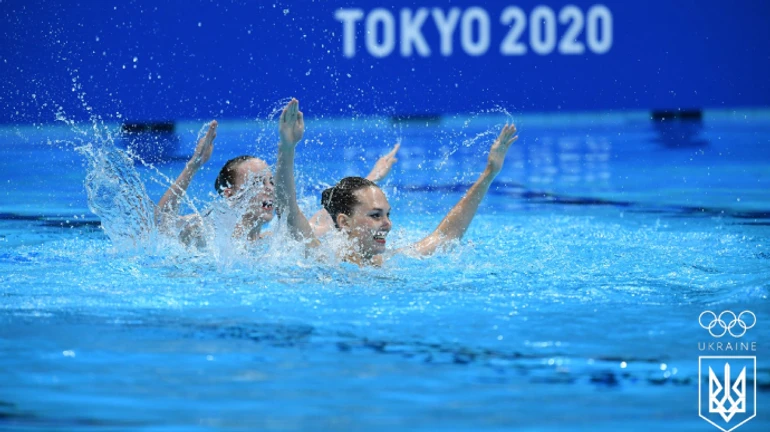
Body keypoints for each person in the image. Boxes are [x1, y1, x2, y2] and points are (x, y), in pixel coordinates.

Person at [274, 98, 519, 266]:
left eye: (387, 215)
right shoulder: (324, 260)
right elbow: (287, 208)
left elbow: (445, 236)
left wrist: (489, 174)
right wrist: (287, 147)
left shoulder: (388, 260)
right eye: (376, 215)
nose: (388, 224)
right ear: (343, 222)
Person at [155, 119, 400, 247]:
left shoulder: (273, 242)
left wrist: (372, 178)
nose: (270, 190)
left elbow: (328, 218)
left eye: (271, 182)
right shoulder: (207, 232)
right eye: (258, 183)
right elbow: (162, 221)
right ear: (229, 194)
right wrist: (193, 165)